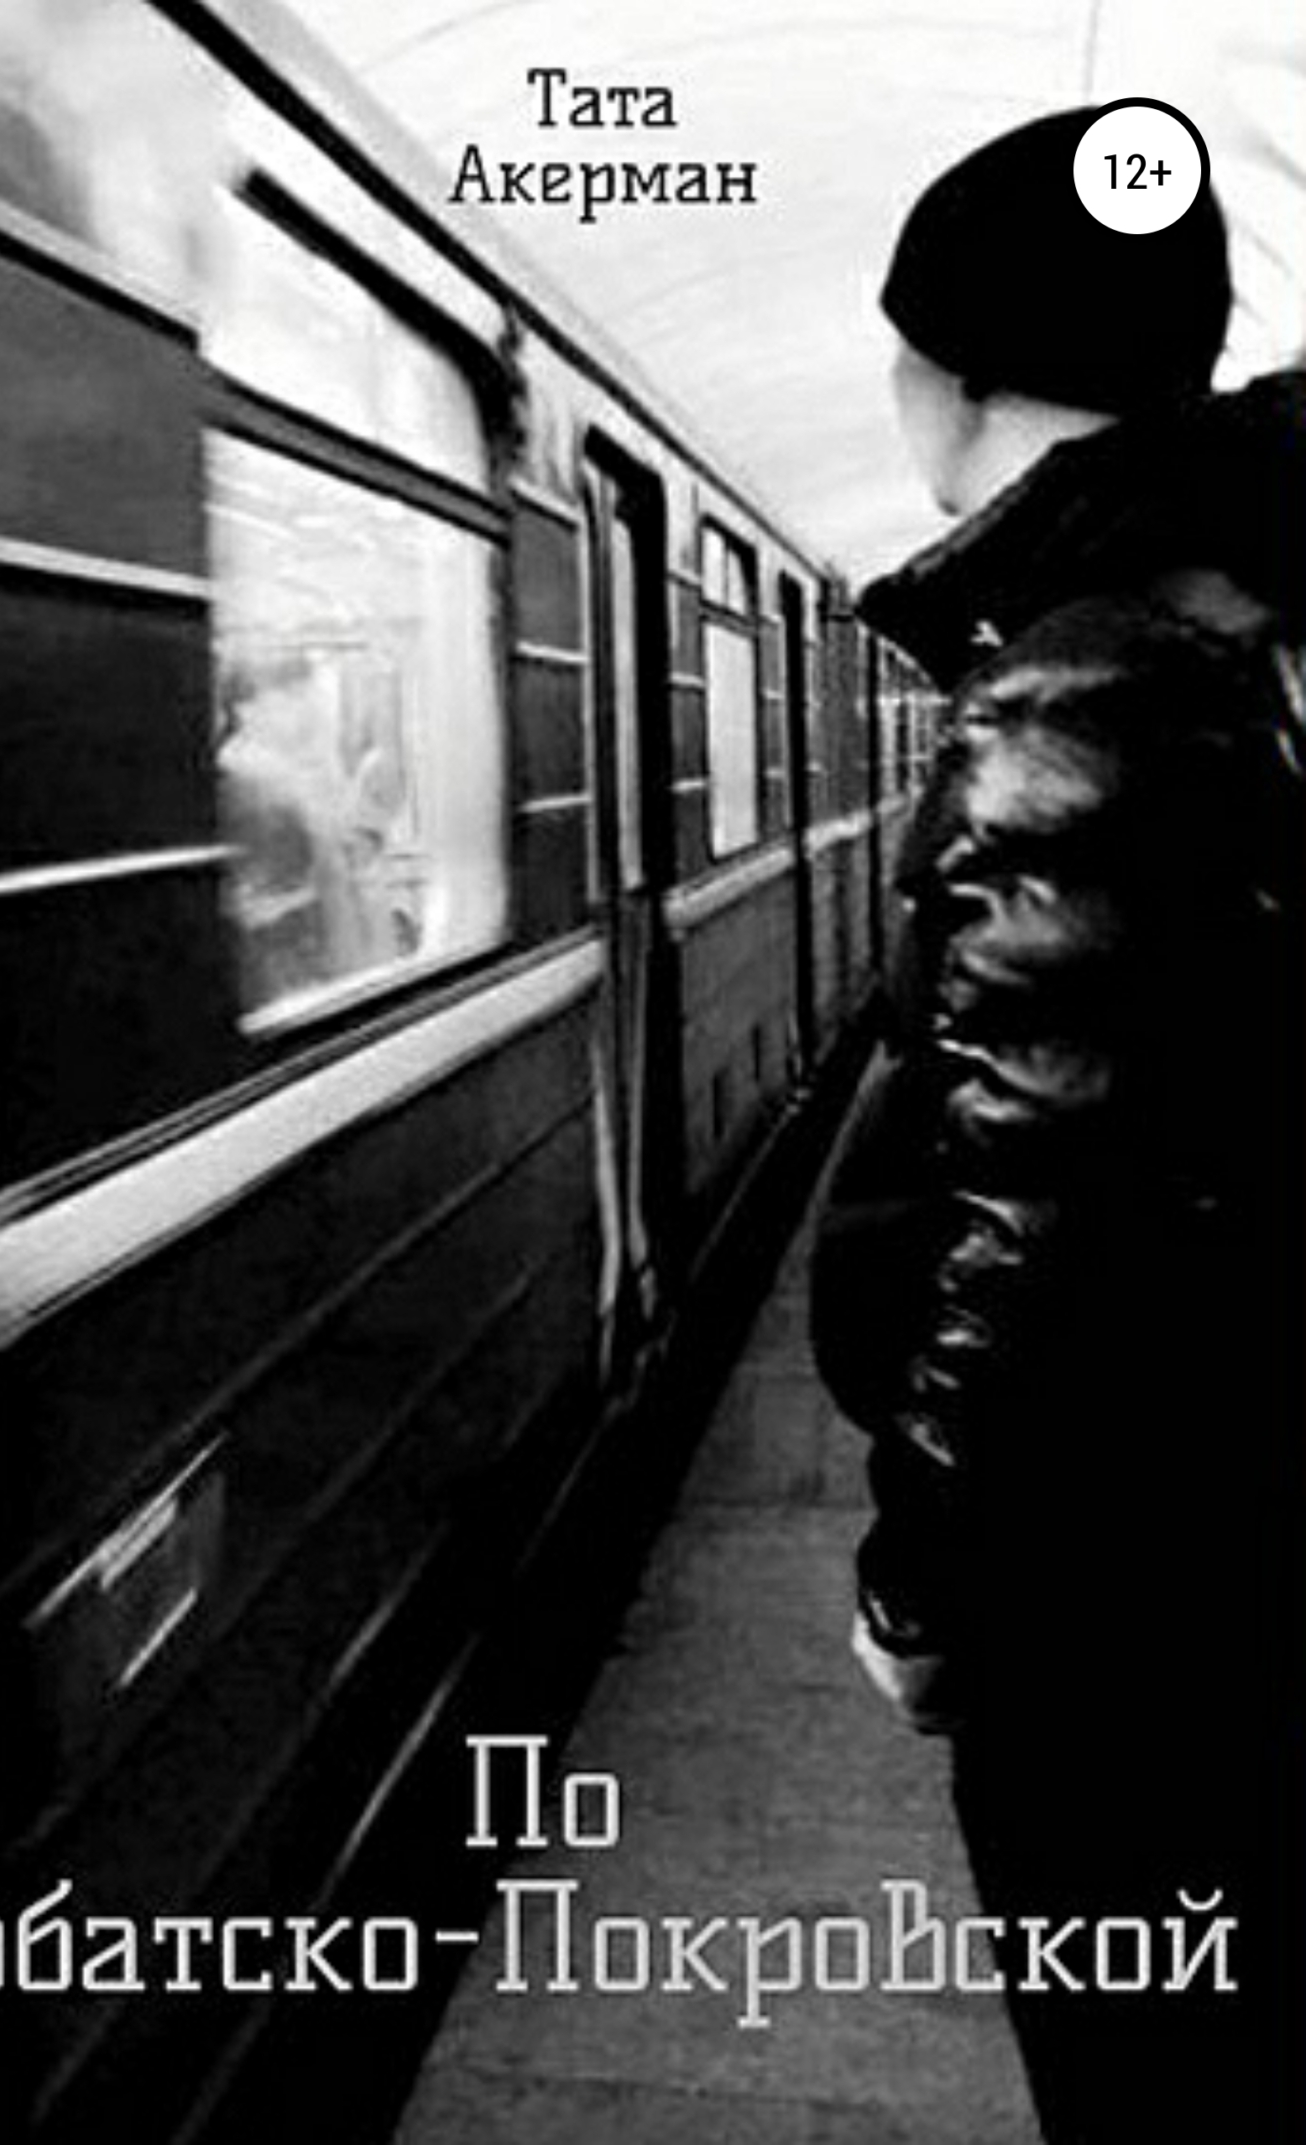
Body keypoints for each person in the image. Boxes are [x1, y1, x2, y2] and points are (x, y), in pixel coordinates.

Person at [810, 108, 1304, 2143]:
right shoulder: (1247, 610)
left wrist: (928, 1584)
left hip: (1131, 1599)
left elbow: (1053, 1205)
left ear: (952, 380)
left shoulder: (1088, 681)